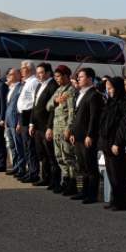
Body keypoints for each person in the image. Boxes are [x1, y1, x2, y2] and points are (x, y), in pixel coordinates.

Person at [68, 67, 103, 204]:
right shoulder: (80, 93)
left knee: (90, 166)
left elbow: (94, 117)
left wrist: (90, 135)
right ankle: (83, 191)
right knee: (81, 166)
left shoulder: (94, 95)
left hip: (87, 137)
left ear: (89, 78)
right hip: (78, 136)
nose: (78, 79)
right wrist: (73, 132)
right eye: (78, 77)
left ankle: (92, 194)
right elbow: (76, 116)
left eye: (81, 77)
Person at [100, 77, 126, 210]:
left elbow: (123, 124)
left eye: (111, 88)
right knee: (111, 173)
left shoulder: (125, 101)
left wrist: (117, 142)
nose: (108, 91)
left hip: (117, 142)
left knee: (119, 173)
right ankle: (115, 199)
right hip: (107, 142)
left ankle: (122, 202)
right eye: (107, 89)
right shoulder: (110, 101)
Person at [47, 65, 78, 195]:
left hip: (65, 128)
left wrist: (69, 128)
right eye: (55, 76)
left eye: (59, 76)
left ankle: (73, 183)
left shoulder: (71, 91)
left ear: (66, 76)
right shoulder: (58, 90)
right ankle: (65, 180)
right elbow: (48, 106)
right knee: (59, 157)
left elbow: (72, 112)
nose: (56, 79)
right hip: (57, 128)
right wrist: (55, 100)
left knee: (68, 157)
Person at [30, 63, 57, 187]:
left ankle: (54, 180)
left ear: (48, 73)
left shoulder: (53, 86)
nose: (38, 75)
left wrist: (50, 127)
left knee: (50, 155)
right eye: (37, 73)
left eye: (41, 72)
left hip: (46, 126)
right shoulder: (39, 85)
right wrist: (31, 123)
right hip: (38, 127)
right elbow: (34, 106)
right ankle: (45, 178)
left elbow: (53, 110)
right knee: (42, 154)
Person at [16, 61, 40, 182]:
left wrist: (31, 121)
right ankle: (30, 170)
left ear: (29, 69)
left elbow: (34, 102)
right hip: (23, 115)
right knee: (26, 146)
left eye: (23, 68)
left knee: (30, 146)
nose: (21, 70)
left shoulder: (34, 82)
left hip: (28, 115)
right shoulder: (26, 82)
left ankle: (34, 173)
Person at [4, 68, 24, 175]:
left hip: (16, 121)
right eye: (8, 74)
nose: (8, 76)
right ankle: (15, 166)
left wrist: (20, 122)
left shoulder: (21, 87)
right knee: (12, 146)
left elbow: (20, 107)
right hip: (9, 121)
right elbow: (8, 106)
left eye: (11, 74)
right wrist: (5, 120)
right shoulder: (10, 88)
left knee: (18, 146)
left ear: (18, 75)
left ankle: (21, 168)